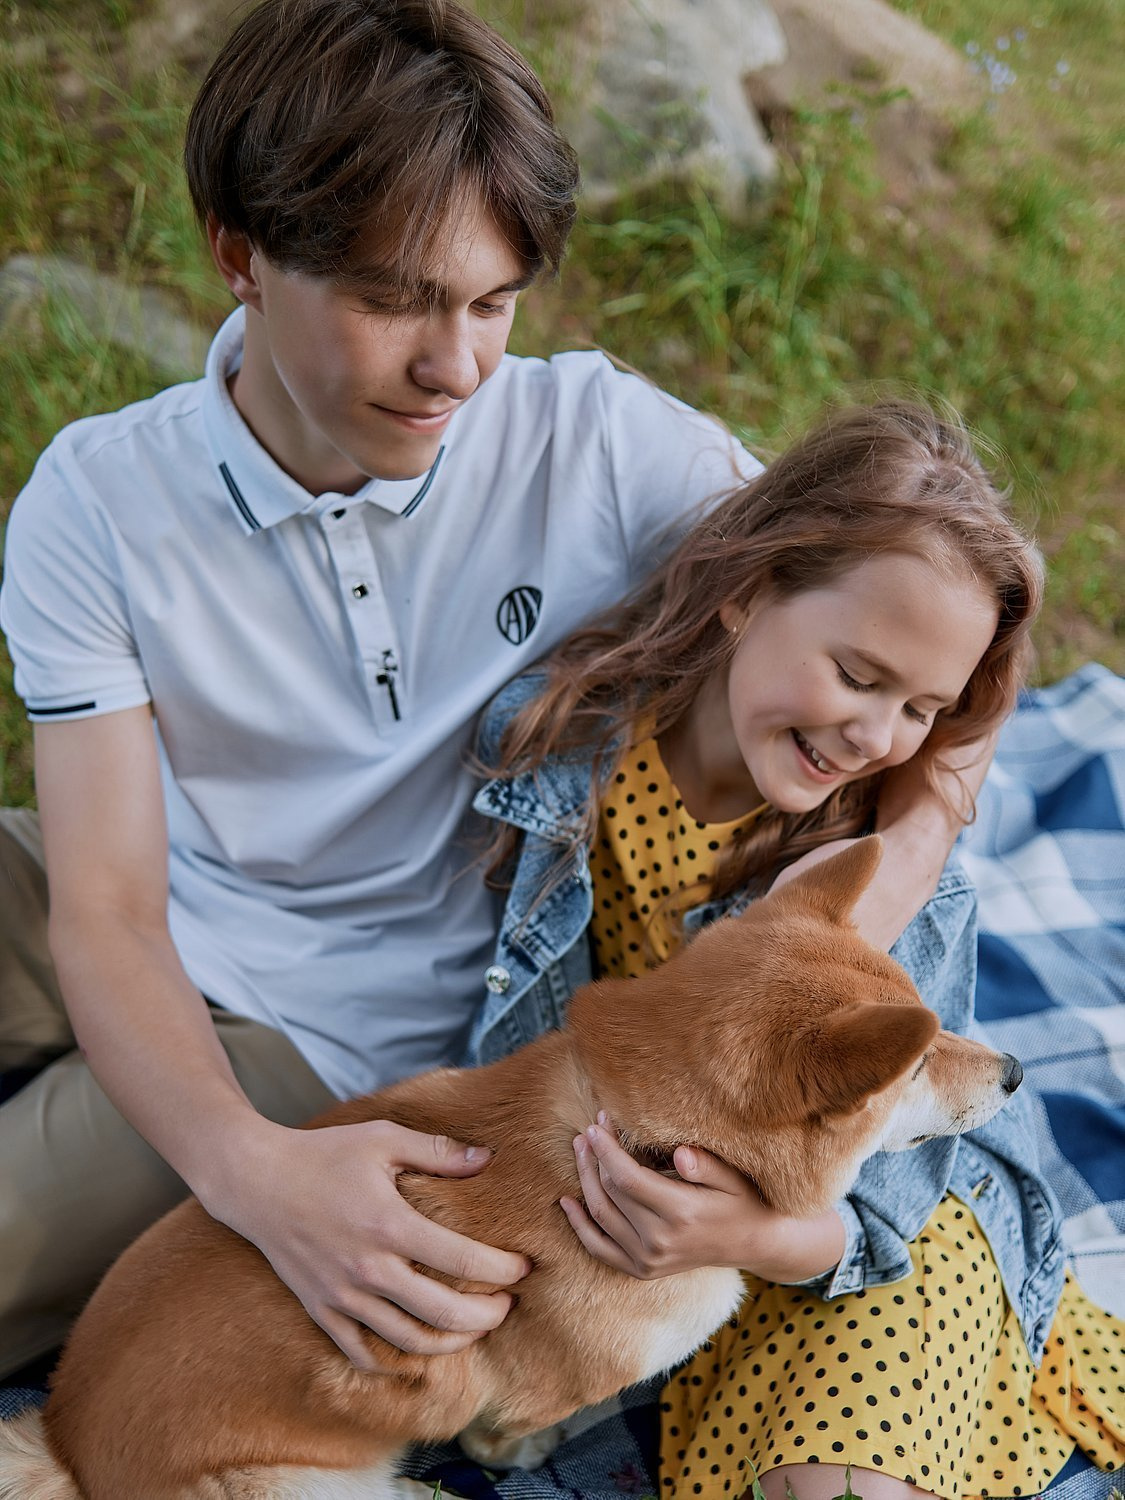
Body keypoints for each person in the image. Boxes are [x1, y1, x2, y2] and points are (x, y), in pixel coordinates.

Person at [0, 0, 988, 1392]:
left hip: (332, 1019)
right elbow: (103, 903)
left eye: (489, 302)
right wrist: (250, 1186)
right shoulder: (96, 499)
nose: (453, 365)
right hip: (130, 880)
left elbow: (944, 623)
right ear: (240, 255)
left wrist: (887, 875)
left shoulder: (599, 446)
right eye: (392, 299)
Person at [468, 399, 1125, 1499]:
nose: (876, 739)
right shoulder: (569, 749)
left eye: (922, 708)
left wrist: (753, 1239)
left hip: (865, 1249)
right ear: (742, 589)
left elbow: (900, 1199)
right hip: (680, 1258)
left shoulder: (879, 871)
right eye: (859, 677)